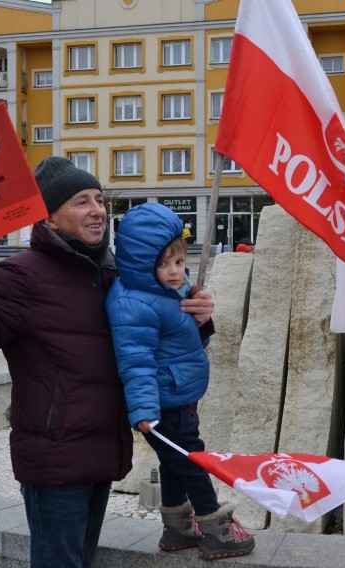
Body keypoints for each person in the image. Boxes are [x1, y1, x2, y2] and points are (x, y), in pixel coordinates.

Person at [0, 157, 216, 568]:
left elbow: (156, 341)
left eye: (100, 200)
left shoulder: (115, 274)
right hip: (55, 460)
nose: (97, 210)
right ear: (48, 217)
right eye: (81, 201)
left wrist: (200, 320)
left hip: (101, 453)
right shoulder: (21, 277)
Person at [106, 202, 255, 561]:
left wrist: (200, 322)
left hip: (177, 394)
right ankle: (216, 528)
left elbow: (183, 342)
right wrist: (143, 409)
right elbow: (135, 362)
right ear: (142, 263)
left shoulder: (167, 293)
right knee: (192, 461)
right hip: (164, 403)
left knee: (174, 462)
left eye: (178, 261)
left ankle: (177, 527)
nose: (175, 272)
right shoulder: (133, 303)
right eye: (163, 264)